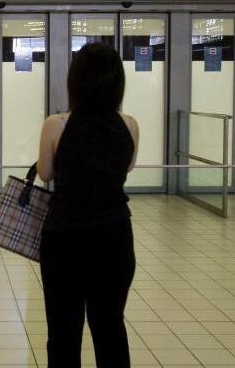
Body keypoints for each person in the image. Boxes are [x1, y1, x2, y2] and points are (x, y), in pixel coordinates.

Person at [36, 43, 139, 368]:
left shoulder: (57, 123)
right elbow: (128, 167)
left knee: (63, 332)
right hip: (114, 236)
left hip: (64, 237)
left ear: (75, 81)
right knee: (109, 327)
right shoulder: (129, 124)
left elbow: (45, 172)